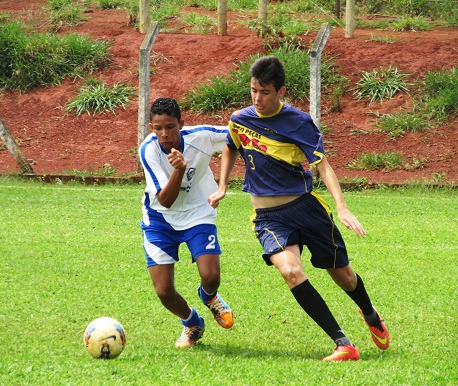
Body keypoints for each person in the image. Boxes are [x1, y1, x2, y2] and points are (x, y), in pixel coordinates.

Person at [208, 56, 389, 362]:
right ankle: (343, 344)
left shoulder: (299, 122)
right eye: (253, 90)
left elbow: (324, 167)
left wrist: (342, 208)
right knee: (291, 271)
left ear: (280, 91)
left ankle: (370, 313)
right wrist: (222, 185)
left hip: (307, 209)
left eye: (265, 92)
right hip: (268, 218)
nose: (257, 98)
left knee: (343, 276)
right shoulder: (240, 119)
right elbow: (230, 147)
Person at [139, 97, 234, 348]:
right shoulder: (148, 150)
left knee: (211, 275)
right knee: (164, 292)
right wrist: (179, 170)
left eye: (170, 127)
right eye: (157, 128)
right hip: (160, 219)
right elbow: (166, 200)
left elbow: (238, 135)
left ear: (181, 123)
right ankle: (191, 322)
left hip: (198, 212)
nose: (164, 134)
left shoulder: (201, 137)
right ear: (151, 127)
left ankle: (209, 297)